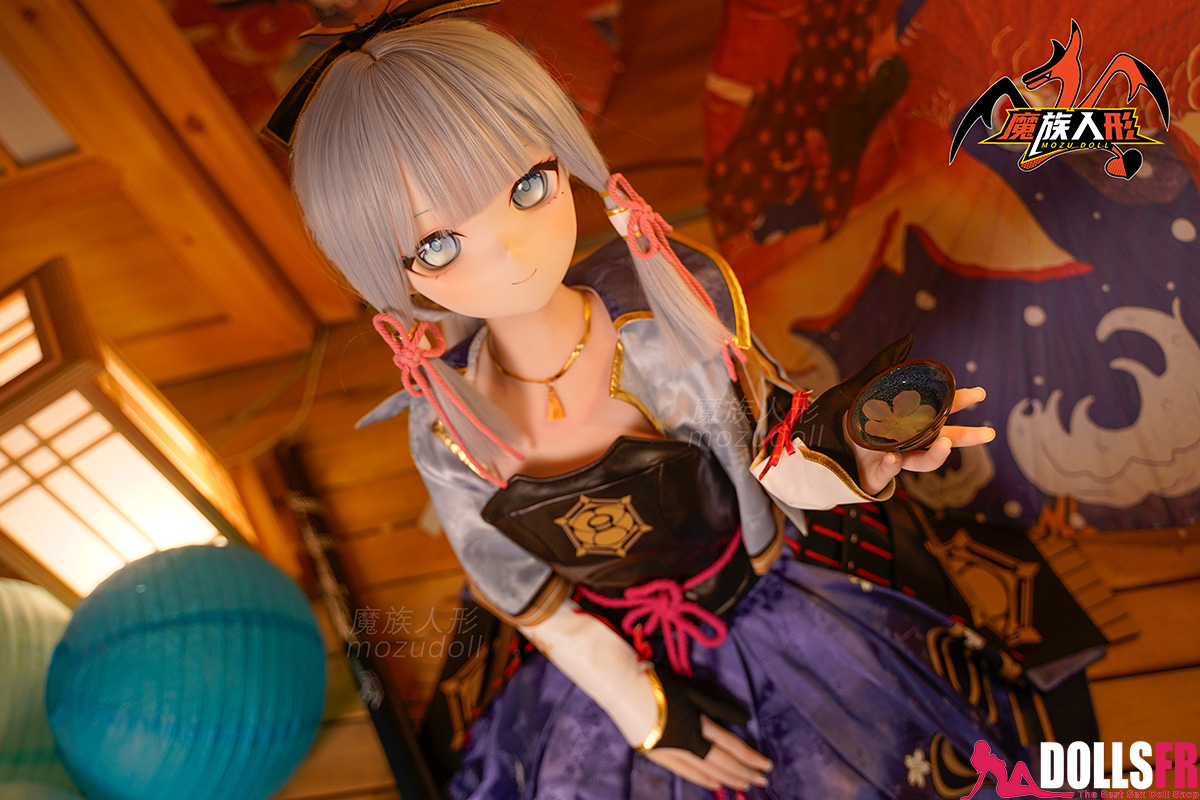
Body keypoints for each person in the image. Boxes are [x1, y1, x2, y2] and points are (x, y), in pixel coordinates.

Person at [278, 11, 1097, 798]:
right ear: (389, 271)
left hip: (771, 587)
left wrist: (853, 448)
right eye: (438, 244)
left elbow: (770, 456)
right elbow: (534, 599)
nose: (510, 250)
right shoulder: (443, 430)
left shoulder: (665, 312)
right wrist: (647, 713)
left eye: (528, 185)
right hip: (612, 645)